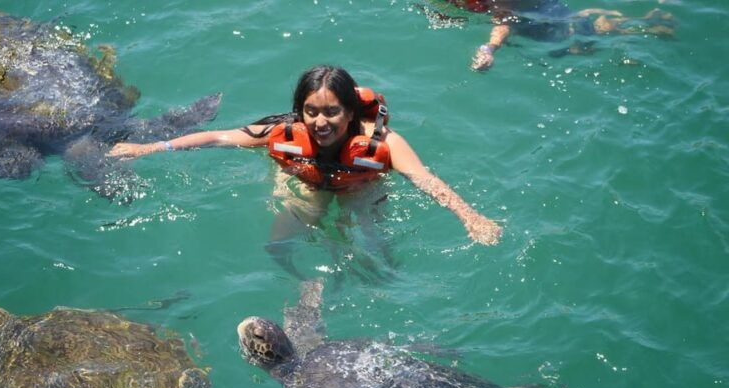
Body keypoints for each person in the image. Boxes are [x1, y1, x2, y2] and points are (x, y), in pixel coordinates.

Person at [108, 65, 502, 277]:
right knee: (278, 245)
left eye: (332, 112)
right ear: (300, 110)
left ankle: (379, 278)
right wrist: (149, 148)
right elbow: (218, 137)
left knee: (374, 249)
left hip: (359, 187)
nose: (320, 122)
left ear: (349, 111)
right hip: (305, 182)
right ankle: (307, 286)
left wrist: (471, 217)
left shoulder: (384, 143)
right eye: (311, 111)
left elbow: (425, 180)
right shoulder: (282, 132)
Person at [436, 1, 675, 71]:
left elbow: (503, 23)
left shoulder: (498, 4)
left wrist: (489, 48)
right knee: (580, 31)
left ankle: (646, 25)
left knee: (577, 42)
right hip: (541, 10)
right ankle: (645, 23)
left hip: (538, 19)